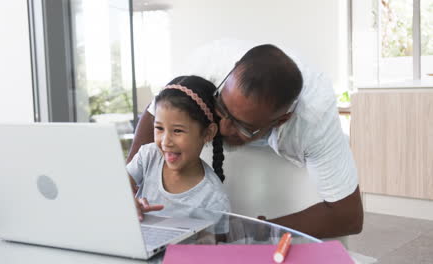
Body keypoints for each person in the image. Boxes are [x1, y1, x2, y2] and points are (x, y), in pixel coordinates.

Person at [128, 44, 363, 239]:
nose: (223, 128)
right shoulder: (208, 68)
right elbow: (157, 113)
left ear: (282, 120)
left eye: (242, 126)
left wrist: (256, 230)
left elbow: (348, 216)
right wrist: (126, 191)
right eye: (222, 110)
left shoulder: (314, 119)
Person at [127, 75, 231, 219]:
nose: (165, 142)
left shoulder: (213, 198)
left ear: (208, 132)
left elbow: (214, 240)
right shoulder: (148, 155)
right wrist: (129, 201)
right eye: (159, 128)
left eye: (177, 131)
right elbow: (118, 185)